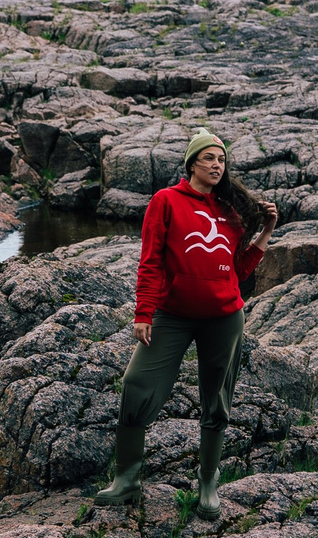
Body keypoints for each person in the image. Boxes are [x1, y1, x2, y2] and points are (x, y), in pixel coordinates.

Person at [93, 128, 278, 518]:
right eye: (209, 158)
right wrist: (144, 312)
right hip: (172, 315)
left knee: (217, 398)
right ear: (192, 162)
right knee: (136, 383)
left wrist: (265, 231)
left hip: (224, 318)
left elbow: (239, 269)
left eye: (222, 159)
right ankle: (127, 478)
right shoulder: (166, 201)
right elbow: (151, 261)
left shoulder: (230, 211)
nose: (217, 165)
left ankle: (208, 483)